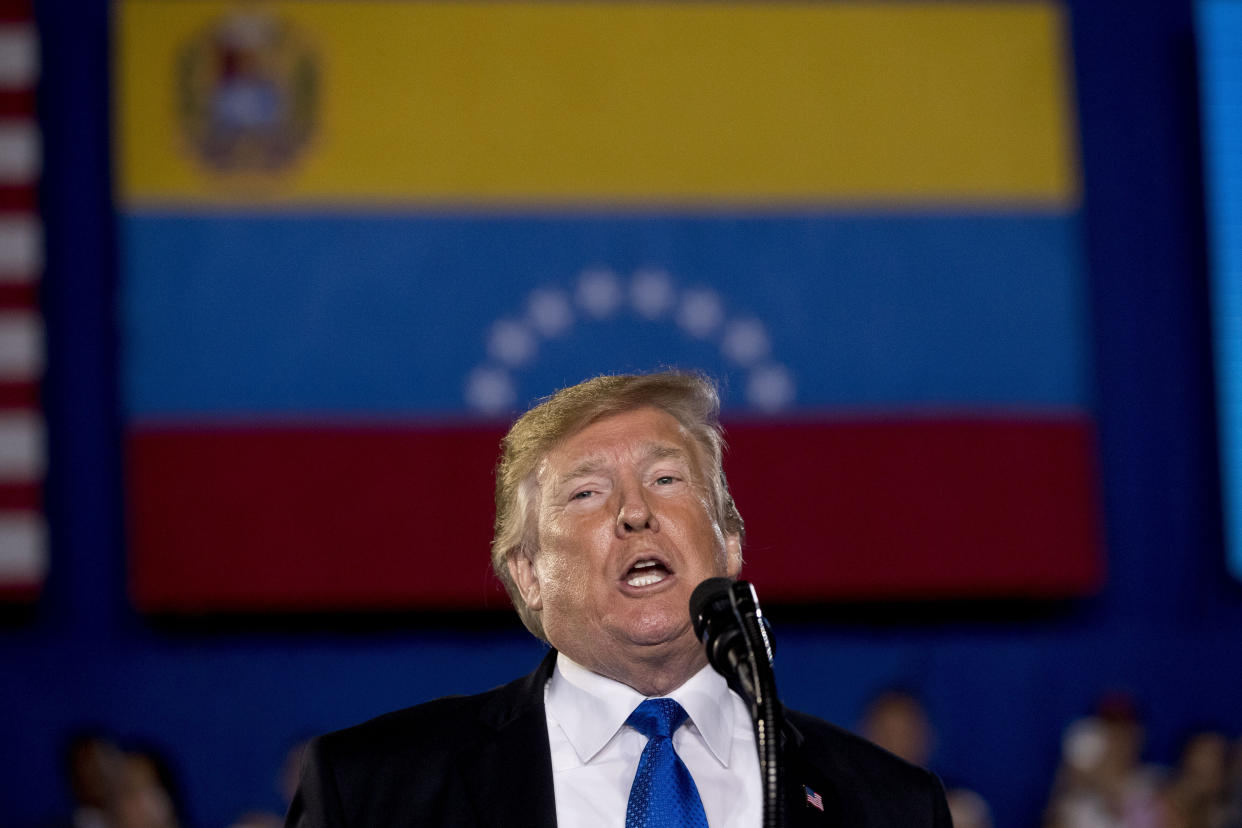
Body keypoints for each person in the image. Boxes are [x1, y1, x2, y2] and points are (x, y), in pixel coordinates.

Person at [286, 372, 952, 827]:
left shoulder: (888, 804)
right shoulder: (373, 793)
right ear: (529, 575)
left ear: (729, 547)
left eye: (666, 479)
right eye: (587, 493)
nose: (636, 511)